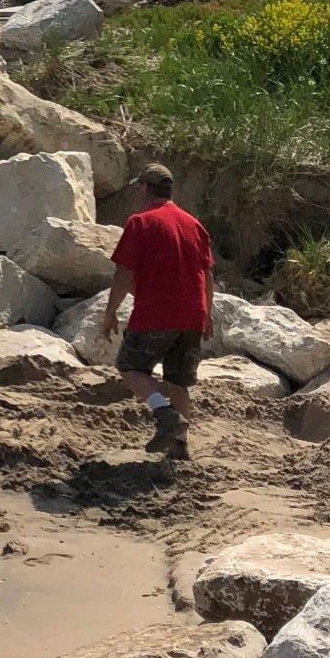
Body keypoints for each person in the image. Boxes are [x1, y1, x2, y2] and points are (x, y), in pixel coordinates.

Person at [101, 164, 215, 459]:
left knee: (130, 366)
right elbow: (207, 273)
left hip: (156, 312)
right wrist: (208, 314)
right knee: (178, 380)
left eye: (139, 189)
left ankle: (165, 415)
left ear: (144, 189)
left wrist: (110, 311)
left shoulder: (140, 223)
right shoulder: (193, 224)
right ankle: (180, 447)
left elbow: (124, 271)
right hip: (192, 314)